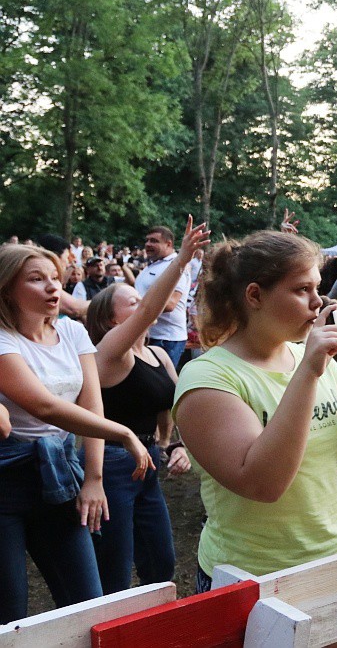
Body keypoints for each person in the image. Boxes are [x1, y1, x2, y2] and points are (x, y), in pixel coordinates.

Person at [173, 231, 337, 608]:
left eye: (317, 288)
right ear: (254, 295)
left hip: (335, 559)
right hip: (250, 581)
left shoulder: (314, 359)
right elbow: (264, 485)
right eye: (302, 289)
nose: (318, 302)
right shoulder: (208, 379)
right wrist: (308, 370)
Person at [0, 244, 155, 623]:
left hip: (59, 474)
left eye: (56, 278)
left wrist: (94, 478)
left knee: (88, 604)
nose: (54, 288)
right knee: (10, 613)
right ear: (6, 289)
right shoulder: (3, 339)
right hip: (6, 479)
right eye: (36, 280)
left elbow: (92, 405)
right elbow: (45, 406)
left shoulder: (72, 332)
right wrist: (124, 433)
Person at [82, 217, 208, 594]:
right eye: (132, 303)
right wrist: (181, 261)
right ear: (109, 319)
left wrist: (175, 445)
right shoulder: (107, 355)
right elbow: (150, 312)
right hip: (111, 464)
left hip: (148, 459)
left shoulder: (157, 354)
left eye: (141, 299)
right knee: (115, 573)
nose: (143, 307)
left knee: (161, 564)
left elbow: (172, 407)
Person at [135, 226, 191, 367]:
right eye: (147, 240)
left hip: (166, 339)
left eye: (154, 241)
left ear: (168, 244)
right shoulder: (153, 265)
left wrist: (135, 304)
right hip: (147, 334)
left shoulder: (176, 267)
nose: (148, 244)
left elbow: (171, 304)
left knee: (162, 386)